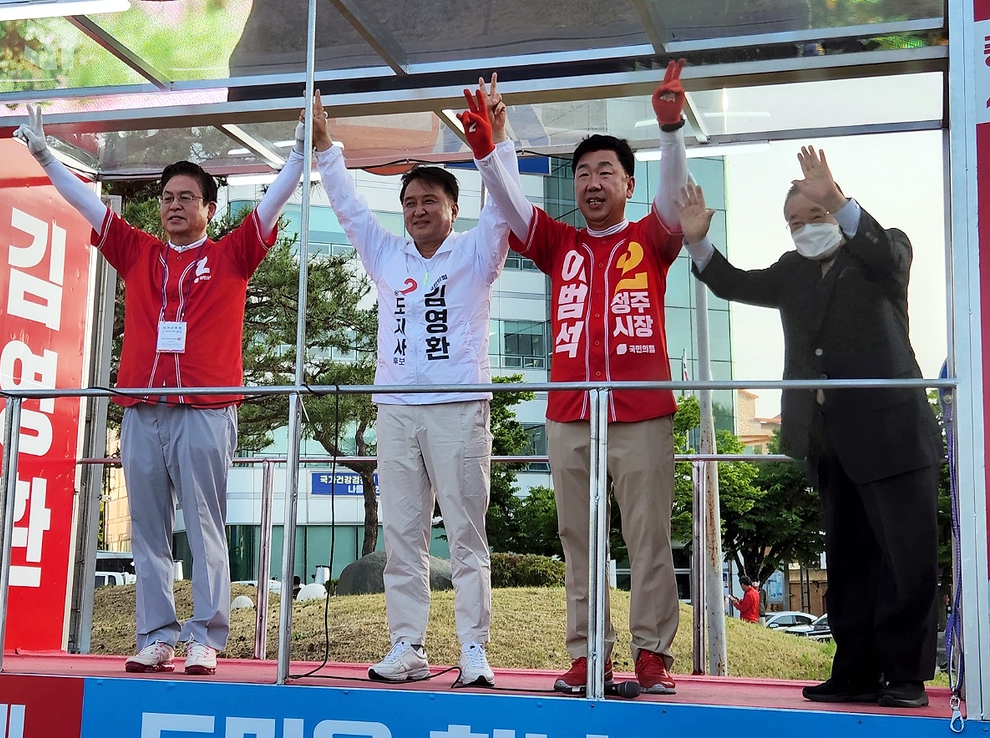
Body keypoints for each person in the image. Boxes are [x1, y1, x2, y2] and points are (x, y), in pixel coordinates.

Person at [13, 105, 307, 676]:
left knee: (204, 525)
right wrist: (46, 156)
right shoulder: (136, 252)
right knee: (147, 528)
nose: (174, 205)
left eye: (187, 197)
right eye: (167, 196)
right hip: (143, 410)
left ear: (210, 208)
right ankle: (156, 634)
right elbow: (86, 204)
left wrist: (299, 154)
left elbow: (273, 202)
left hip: (204, 409)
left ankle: (206, 636)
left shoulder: (233, 254)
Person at [678, 146, 941, 709]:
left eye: (813, 216)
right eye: (793, 222)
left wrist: (838, 199)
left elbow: (884, 256)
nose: (803, 229)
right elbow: (732, 283)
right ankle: (854, 672)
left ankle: (905, 676)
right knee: (847, 561)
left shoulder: (883, 249)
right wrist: (697, 240)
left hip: (893, 433)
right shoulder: (793, 270)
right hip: (828, 439)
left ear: (836, 210)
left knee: (905, 557)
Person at [476, 60, 688, 695]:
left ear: (628, 183)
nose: (593, 183)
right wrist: (492, 152)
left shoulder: (651, 239)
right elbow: (513, 205)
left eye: (606, 173)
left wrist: (670, 130)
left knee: (648, 535)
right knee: (577, 538)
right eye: (583, 174)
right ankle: (587, 652)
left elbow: (676, 198)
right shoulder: (559, 243)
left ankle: (652, 655)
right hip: (569, 412)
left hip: (641, 412)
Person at [310, 78, 517, 687]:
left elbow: (505, 209)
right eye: (410, 201)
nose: (418, 209)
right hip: (397, 411)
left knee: (466, 536)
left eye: (430, 200)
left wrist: (494, 145)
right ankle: (408, 646)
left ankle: (474, 650)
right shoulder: (386, 254)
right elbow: (348, 207)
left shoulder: (477, 252)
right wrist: (328, 149)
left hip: (457, 410)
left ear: (453, 208)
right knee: (402, 538)